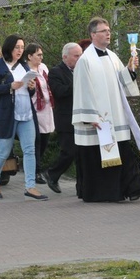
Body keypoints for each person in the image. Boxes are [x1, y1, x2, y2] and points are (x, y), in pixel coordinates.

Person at [72, 17, 140, 203]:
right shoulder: (86, 60)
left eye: (109, 30)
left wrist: (130, 69)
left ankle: (134, 189)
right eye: (103, 31)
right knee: (103, 158)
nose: (108, 33)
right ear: (93, 35)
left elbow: (121, 81)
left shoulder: (111, 55)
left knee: (124, 152)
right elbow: (82, 90)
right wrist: (90, 116)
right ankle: (107, 193)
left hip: (115, 116)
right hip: (99, 119)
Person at [0, 34, 47, 201]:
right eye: (17, 47)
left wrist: (32, 87)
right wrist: (9, 86)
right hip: (6, 115)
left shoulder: (24, 66)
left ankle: (30, 186)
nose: (20, 50)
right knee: (4, 151)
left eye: (22, 47)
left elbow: (29, 91)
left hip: (26, 113)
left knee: (30, 150)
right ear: (9, 48)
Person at [41, 42, 83, 194]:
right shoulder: (55, 72)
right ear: (65, 57)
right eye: (76, 56)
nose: (80, 58)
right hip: (65, 118)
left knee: (81, 153)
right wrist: (78, 83)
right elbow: (59, 92)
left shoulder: (81, 70)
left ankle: (82, 186)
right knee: (69, 152)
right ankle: (52, 173)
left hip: (81, 117)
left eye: (81, 55)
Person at [25, 43, 54, 184]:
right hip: (34, 109)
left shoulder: (43, 68)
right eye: (38, 55)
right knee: (36, 140)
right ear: (29, 56)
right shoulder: (25, 70)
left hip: (46, 109)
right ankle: (35, 171)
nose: (41, 57)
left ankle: (37, 166)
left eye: (42, 54)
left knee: (45, 139)